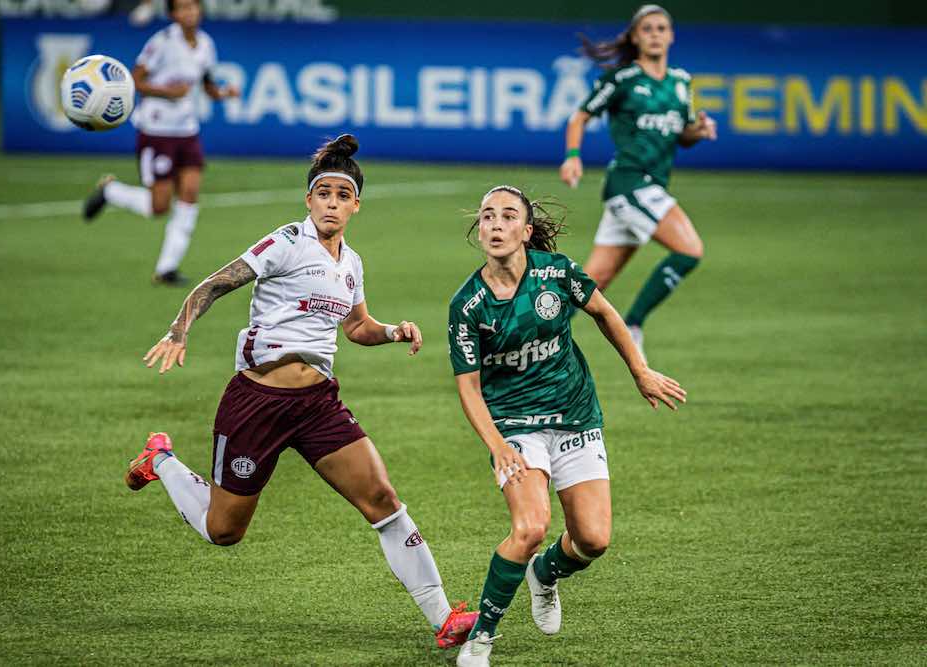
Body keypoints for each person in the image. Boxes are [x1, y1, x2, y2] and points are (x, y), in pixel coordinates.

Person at [127, 134, 479, 647]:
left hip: (318, 406)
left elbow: (356, 327)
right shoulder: (287, 242)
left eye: (342, 195)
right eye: (323, 194)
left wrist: (392, 331)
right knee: (224, 530)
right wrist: (179, 330)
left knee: (382, 498)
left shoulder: (352, 264)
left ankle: (444, 617)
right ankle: (161, 459)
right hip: (256, 404)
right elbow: (215, 283)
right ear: (308, 200)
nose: (331, 204)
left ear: (356, 204)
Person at [449, 186, 686, 666]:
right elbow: (470, 388)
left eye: (507, 216)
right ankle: (482, 637)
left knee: (594, 541)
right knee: (531, 525)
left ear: (526, 231)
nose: (495, 225)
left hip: (575, 413)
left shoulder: (557, 274)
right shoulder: (468, 304)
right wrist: (496, 444)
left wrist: (640, 371)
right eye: (488, 217)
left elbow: (604, 312)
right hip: (515, 424)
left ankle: (545, 574)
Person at [559, 4, 717, 358]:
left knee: (592, 283)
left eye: (662, 28)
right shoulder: (623, 80)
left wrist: (699, 131)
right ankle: (633, 324)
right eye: (647, 29)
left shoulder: (681, 82)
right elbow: (579, 117)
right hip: (631, 183)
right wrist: (572, 158)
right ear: (634, 37)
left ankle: (536, 339)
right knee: (690, 250)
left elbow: (682, 135)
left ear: (671, 35)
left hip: (651, 188)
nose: (655, 34)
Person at [82, 0, 239, 286]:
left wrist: (223, 93)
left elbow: (206, 85)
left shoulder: (205, 44)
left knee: (190, 193)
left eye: (193, 6)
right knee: (159, 206)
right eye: (182, 8)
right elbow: (134, 80)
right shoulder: (162, 42)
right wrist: (166, 92)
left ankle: (166, 269)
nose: (189, 12)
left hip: (187, 130)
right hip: (156, 130)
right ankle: (111, 192)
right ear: (172, 15)